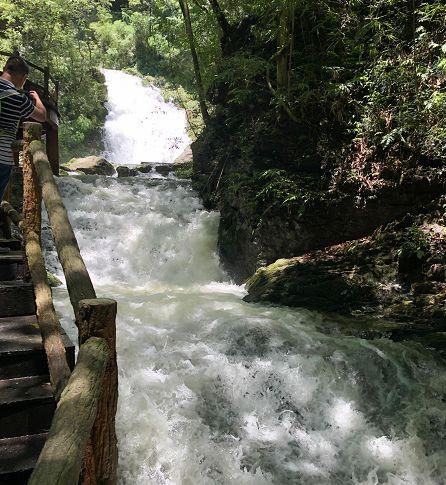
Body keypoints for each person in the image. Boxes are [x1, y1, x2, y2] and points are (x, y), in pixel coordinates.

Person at [0, 55, 47, 202]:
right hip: (2, 158)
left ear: (5, 68)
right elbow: (42, 116)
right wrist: (37, 98)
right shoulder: (18, 98)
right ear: (24, 77)